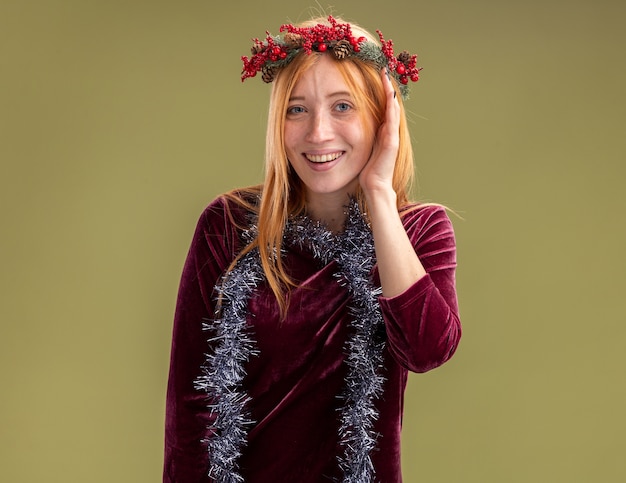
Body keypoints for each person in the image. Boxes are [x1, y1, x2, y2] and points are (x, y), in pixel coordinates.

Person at [164, 15, 461, 483]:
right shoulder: (228, 225)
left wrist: (380, 194)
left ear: (383, 117)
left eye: (342, 106)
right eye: (297, 109)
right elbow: (189, 411)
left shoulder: (419, 230)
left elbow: (428, 349)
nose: (318, 133)